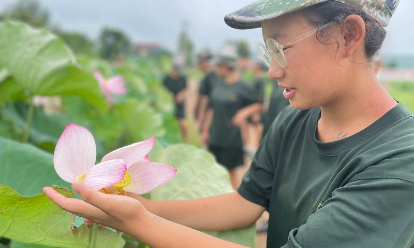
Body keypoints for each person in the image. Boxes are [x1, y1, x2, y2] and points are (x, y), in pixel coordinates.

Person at [44, 0, 414, 247]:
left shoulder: (401, 160)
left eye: (279, 47)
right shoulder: (295, 120)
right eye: (265, 51)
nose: (272, 69)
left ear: (348, 36)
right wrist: (139, 207)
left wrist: (138, 223)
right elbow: (245, 204)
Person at [201, 55, 262, 189]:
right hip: (215, 135)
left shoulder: (242, 87)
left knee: (231, 171)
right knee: (213, 171)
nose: (216, 69)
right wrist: (205, 131)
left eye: (218, 66)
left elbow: (258, 104)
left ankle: (234, 199)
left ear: (227, 67)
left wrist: (243, 113)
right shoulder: (218, 86)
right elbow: (211, 110)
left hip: (231, 137)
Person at [163, 63, 188, 141]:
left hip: (179, 103)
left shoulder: (182, 78)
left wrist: (181, 95)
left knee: (183, 123)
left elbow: (185, 89)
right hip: (168, 104)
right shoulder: (166, 79)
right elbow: (162, 91)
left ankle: (184, 139)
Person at [196, 50, 219, 130]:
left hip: (210, 116)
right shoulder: (218, 75)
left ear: (203, 61)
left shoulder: (209, 77)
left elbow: (204, 99)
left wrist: (200, 119)